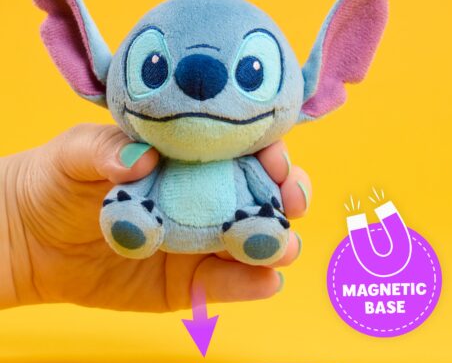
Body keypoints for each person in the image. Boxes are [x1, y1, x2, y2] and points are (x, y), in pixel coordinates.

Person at [0, 124, 311, 312]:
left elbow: (266, 188)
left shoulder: (244, 162)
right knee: (134, 192)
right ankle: (135, 223)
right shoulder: (152, 161)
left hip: (222, 227)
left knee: (267, 214)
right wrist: (17, 221)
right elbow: (139, 182)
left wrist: (273, 206)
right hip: (159, 226)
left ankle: (257, 229)